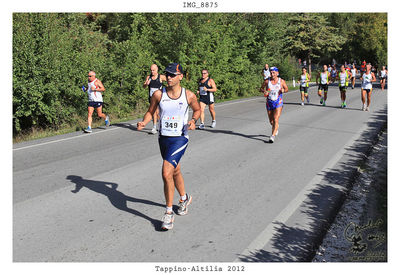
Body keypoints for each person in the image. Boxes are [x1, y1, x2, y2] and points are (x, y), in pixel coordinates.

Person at [137, 63, 200, 230]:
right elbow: (151, 111)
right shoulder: (159, 94)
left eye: (173, 75)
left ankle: (168, 213)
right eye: (167, 74)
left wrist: (193, 121)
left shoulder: (188, 95)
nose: (169, 77)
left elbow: (197, 110)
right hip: (163, 138)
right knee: (175, 170)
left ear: (180, 76)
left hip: (180, 138)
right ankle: (184, 198)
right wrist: (144, 121)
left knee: (166, 172)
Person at [260, 66, 289, 143]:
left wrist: (283, 90)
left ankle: (272, 136)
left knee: (276, 119)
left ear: (277, 73)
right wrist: (264, 91)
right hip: (269, 102)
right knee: (271, 121)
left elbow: (286, 89)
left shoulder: (281, 81)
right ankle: (276, 127)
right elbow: (261, 88)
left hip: (278, 102)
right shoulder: (267, 81)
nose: (272, 74)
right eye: (271, 73)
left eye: (274, 73)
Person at [143, 64, 167, 134]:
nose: (152, 72)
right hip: (152, 98)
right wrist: (146, 84)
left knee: (158, 112)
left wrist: (167, 90)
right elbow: (144, 86)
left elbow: (170, 81)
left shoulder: (161, 77)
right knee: (154, 112)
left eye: (153, 70)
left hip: (160, 98)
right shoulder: (149, 77)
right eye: (151, 70)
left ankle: (161, 124)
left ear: (157, 69)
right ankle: (154, 127)